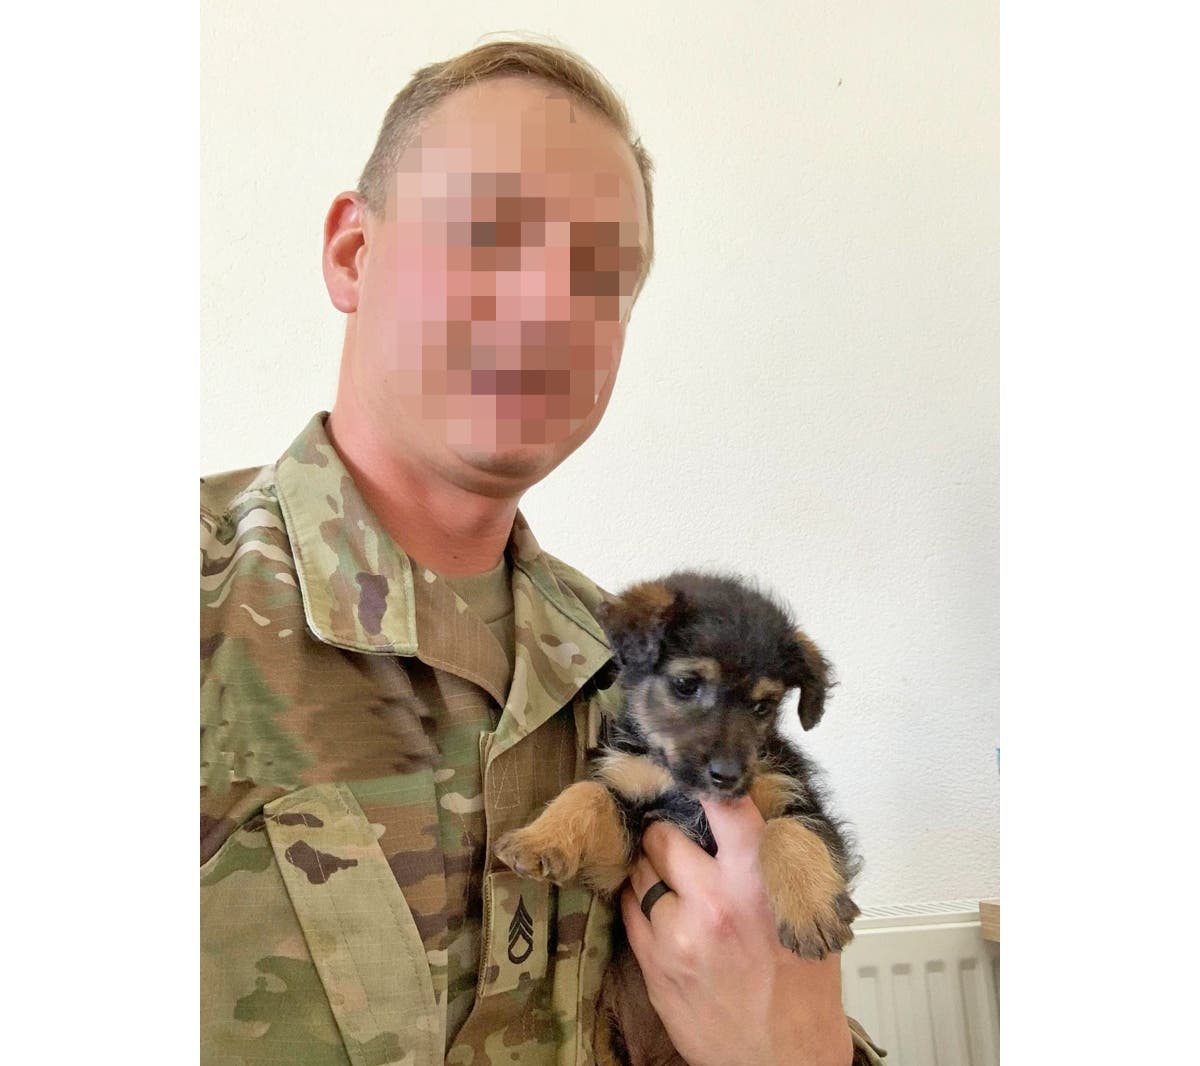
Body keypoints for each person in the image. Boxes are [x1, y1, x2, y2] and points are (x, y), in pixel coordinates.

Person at [201, 38, 887, 1066]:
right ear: (353, 253)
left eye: (601, 274)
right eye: (487, 232)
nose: (547, 305)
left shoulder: (638, 667)